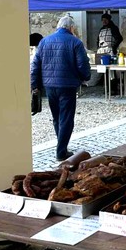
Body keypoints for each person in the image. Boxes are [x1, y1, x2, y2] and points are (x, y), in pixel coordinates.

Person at [31, 15, 91, 161]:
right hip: (67, 85)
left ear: (58, 26)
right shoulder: (75, 42)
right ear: (71, 28)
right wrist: (86, 77)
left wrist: (34, 85)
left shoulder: (44, 41)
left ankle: (62, 146)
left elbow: (35, 65)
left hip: (49, 85)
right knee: (66, 118)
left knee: (57, 117)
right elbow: (82, 65)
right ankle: (61, 151)